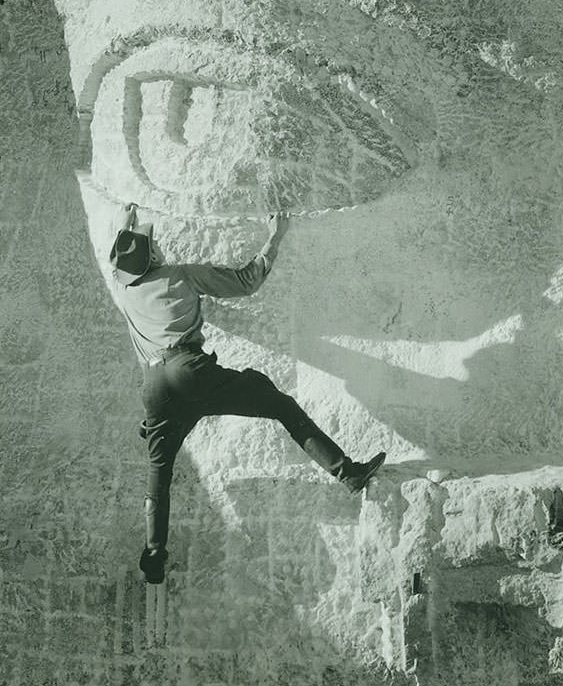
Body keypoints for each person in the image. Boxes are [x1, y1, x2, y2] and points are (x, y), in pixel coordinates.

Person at [107, 203, 386, 584]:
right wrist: (276, 235)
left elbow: (118, 264)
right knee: (280, 405)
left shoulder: (123, 289)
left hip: (154, 391)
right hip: (191, 372)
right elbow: (245, 281)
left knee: (160, 472)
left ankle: (154, 553)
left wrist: (126, 227)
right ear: (154, 255)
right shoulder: (180, 275)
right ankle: (347, 472)